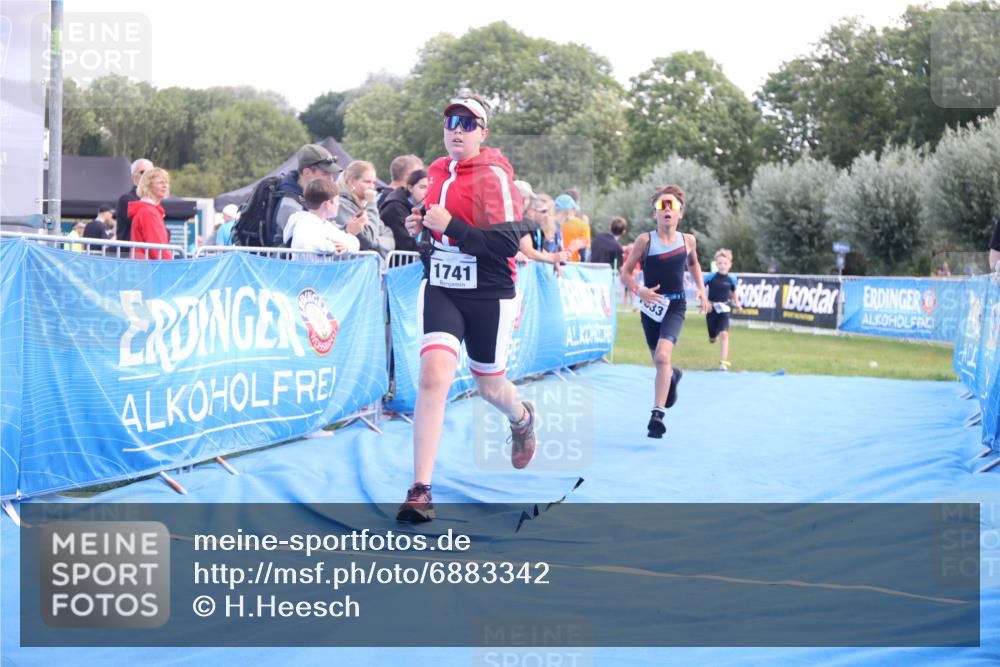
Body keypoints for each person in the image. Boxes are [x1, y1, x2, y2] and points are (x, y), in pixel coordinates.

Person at [397, 94, 535, 522]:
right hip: (442, 286)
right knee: (433, 377)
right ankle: (421, 489)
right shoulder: (437, 170)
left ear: (483, 133)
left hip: (489, 292)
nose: (457, 130)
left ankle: (521, 417)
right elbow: (436, 221)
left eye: (468, 123)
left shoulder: (495, 177)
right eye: (451, 122)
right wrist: (421, 225)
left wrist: (451, 227)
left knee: (489, 387)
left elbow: (507, 244)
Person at [620, 185, 708, 439]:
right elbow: (625, 273)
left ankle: (657, 415)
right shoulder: (645, 241)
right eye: (662, 205)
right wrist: (639, 290)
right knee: (659, 362)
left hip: (675, 306)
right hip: (650, 307)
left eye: (672, 205)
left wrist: (701, 290)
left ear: (680, 212)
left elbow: (694, 264)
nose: (667, 209)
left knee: (661, 356)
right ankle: (672, 376)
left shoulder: (687, 240)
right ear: (655, 213)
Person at [272, 144, 340, 246]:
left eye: (332, 174)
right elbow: (302, 243)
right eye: (325, 173)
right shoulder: (289, 205)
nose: (331, 179)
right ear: (307, 172)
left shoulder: (311, 198)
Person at [283, 179, 360, 262]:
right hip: (307, 270)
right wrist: (333, 247)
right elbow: (307, 244)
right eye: (337, 200)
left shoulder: (326, 225)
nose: (338, 204)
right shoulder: (303, 224)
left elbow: (354, 242)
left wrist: (346, 247)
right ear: (327, 204)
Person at [335, 160, 395, 259]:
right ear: (351, 181)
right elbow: (369, 238)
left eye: (373, 182)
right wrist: (371, 203)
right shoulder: (341, 204)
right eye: (367, 182)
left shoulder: (361, 205)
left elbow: (387, 233)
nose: (372, 187)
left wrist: (374, 244)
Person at [703, 248, 743, 371]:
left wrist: (737, 303)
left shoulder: (732, 279)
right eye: (720, 263)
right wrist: (704, 301)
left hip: (725, 309)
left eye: (725, 263)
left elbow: (734, 292)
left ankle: (723, 363)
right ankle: (713, 336)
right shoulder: (710, 277)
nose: (722, 266)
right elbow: (701, 289)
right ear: (716, 264)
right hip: (711, 309)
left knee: (724, 334)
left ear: (730, 264)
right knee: (712, 339)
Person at [515, 194, 568, 273]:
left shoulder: (535, 226)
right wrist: (551, 258)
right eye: (543, 211)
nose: (546, 215)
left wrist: (554, 258)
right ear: (531, 211)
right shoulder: (524, 224)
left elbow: (538, 248)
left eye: (547, 211)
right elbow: (528, 251)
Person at [379, 169, 428, 252]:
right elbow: (404, 244)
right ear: (410, 188)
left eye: (431, 188)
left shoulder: (426, 207)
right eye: (422, 187)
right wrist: (430, 249)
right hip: (393, 257)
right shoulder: (394, 207)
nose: (427, 192)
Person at [129, 168, 174, 260]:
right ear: (148, 186)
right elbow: (157, 249)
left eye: (166, 182)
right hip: (150, 266)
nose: (165, 186)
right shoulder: (148, 212)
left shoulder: (148, 210)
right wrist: (170, 266)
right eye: (160, 182)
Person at [116, 158, 153, 241]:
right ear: (133, 177)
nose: (147, 176)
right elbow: (145, 227)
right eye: (142, 172)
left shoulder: (154, 201)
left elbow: (165, 232)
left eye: (151, 173)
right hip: (130, 248)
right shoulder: (126, 200)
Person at [555, 194, 590, 262]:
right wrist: (571, 248)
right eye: (574, 209)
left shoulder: (556, 226)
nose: (575, 212)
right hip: (570, 265)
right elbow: (550, 255)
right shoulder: (553, 228)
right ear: (568, 211)